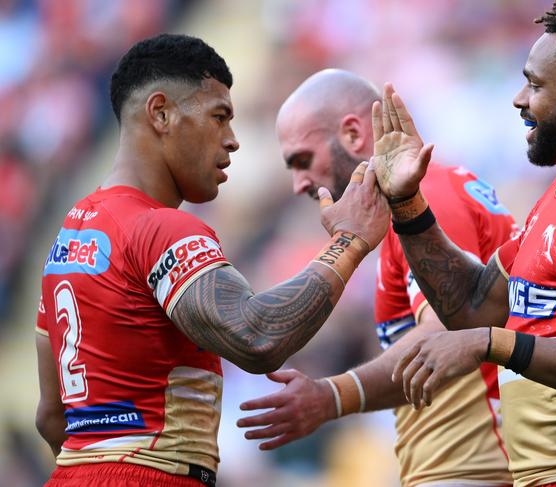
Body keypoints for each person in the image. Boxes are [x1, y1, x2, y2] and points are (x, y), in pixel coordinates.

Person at [34, 34, 389, 487]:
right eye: (219, 117)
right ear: (160, 113)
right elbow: (257, 335)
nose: (232, 141)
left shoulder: (67, 239)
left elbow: (51, 416)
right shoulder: (160, 228)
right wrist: (350, 242)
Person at [366, 1, 556, 486]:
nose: (520, 99)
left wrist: (492, 344)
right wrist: (408, 205)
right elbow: (476, 307)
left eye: (536, 85)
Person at [237, 69, 515, 486]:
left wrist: (331, 397)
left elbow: (444, 340)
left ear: (352, 134)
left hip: (480, 467)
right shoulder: (411, 210)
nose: (297, 184)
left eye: (302, 160)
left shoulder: (428, 197)